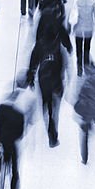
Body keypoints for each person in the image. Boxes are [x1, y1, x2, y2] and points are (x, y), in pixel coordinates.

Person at [27, 12, 71, 147]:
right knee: (56, 108)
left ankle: (49, 128)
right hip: (57, 81)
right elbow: (66, 64)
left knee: (46, 105)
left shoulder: (39, 44)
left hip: (43, 80)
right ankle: (54, 130)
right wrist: (67, 78)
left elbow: (33, 62)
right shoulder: (59, 46)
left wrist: (30, 77)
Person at [0, 84, 33, 189]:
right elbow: (20, 135)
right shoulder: (20, 115)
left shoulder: (1, 108)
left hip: (0, 143)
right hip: (12, 146)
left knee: (1, 165)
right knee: (14, 171)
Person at [71, 0, 95, 76]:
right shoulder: (92, 1)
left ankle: (79, 68)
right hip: (89, 29)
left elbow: (73, 15)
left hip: (78, 29)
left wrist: (72, 27)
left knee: (79, 49)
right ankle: (86, 67)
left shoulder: (77, 1)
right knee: (87, 48)